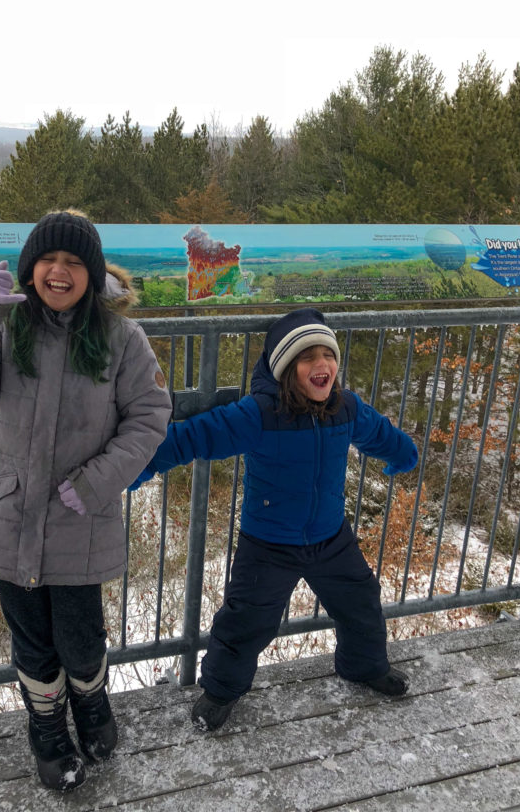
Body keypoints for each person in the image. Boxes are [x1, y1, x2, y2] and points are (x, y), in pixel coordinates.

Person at [0, 210, 171, 791]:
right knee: (32, 639)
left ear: (92, 275)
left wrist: (97, 481)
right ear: (30, 269)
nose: (60, 272)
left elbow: (149, 419)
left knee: (79, 635)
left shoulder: (123, 340)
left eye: (74, 262)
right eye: (49, 260)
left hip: (79, 518)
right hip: (10, 511)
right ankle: (47, 728)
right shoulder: (7, 327)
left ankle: (92, 706)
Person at [130, 307, 418, 732]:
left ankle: (364, 667)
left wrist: (402, 453)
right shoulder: (258, 414)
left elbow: (380, 433)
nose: (322, 365)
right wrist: (140, 463)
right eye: (307, 358)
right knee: (246, 621)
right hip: (268, 545)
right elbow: (195, 436)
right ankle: (221, 691)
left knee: (361, 604)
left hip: (330, 538)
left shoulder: (346, 409)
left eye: (328, 355)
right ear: (286, 369)